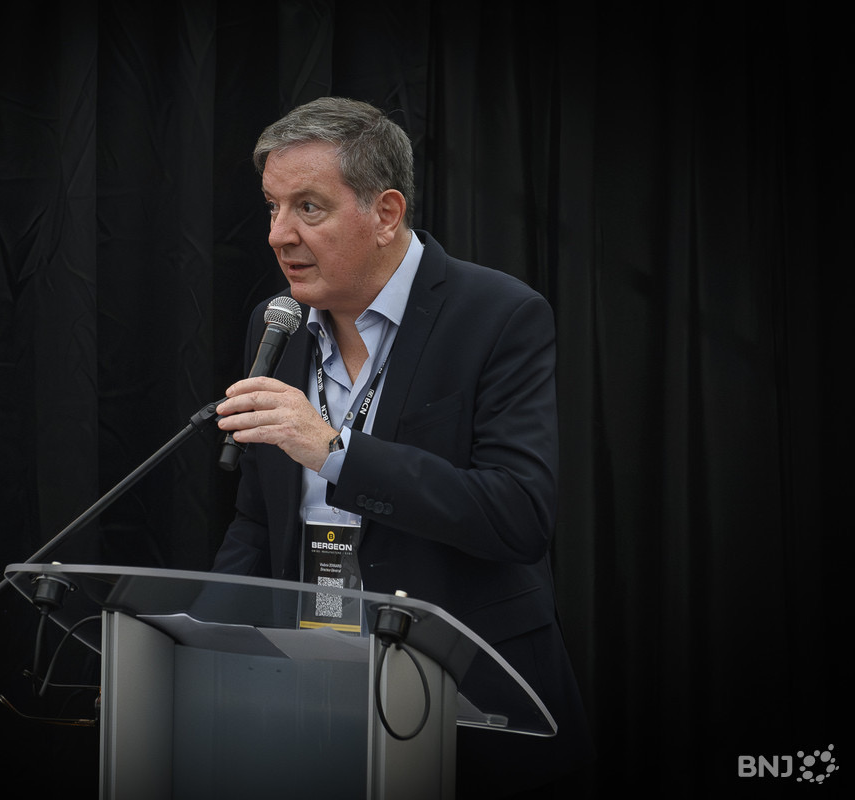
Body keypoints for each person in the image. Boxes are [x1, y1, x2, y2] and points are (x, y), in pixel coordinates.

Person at [212, 96, 593, 796]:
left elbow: (518, 513)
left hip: (468, 699)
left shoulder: (499, 315)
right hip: (318, 696)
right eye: (272, 207)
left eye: (308, 208)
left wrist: (335, 451)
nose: (277, 234)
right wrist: (200, 645)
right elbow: (257, 521)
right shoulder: (277, 326)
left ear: (386, 213)